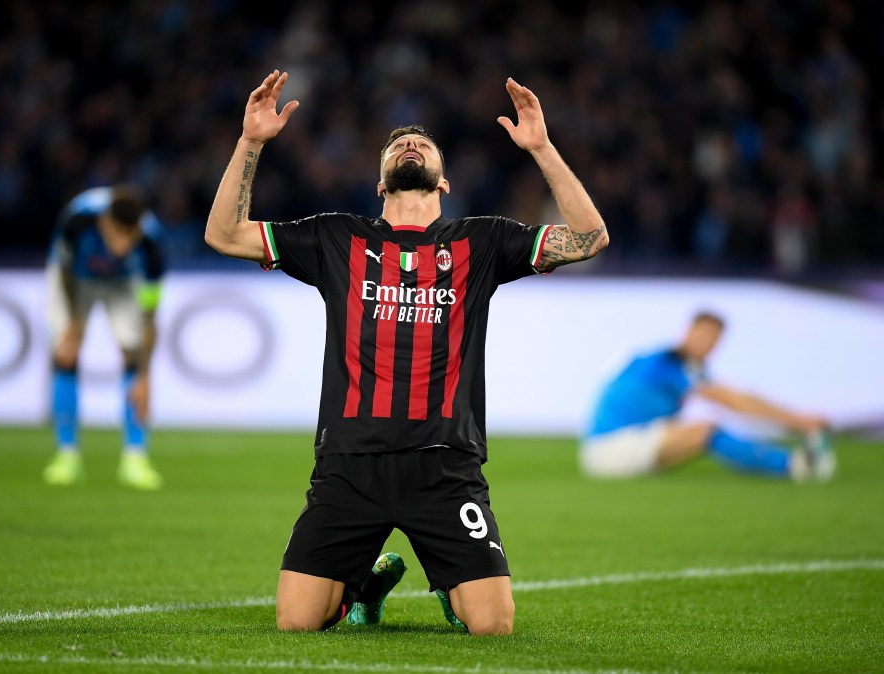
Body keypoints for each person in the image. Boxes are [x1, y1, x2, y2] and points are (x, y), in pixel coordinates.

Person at [204, 70, 608, 635]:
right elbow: (224, 235)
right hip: (350, 465)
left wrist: (541, 148)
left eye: (422, 145)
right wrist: (251, 143)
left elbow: (590, 238)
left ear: (444, 183)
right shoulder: (336, 238)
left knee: (493, 627)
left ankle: (452, 588)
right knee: (297, 623)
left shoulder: (482, 241)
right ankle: (364, 587)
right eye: (397, 145)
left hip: (446, 466)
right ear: (380, 185)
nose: (409, 145)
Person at [579, 311, 836, 482]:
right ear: (688, 331)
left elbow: (736, 398)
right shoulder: (670, 364)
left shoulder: (671, 362)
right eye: (705, 335)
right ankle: (794, 465)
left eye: (715, 339)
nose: (709, 345)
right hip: (610, 449)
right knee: (705, 431)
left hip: (625, 444)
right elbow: (735, 400)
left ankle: (792, 464)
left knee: (700, 431)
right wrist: (797, 420)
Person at [42, 184, 166, 490]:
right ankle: (66, 456)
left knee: (133, 357)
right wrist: (73, 324)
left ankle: (135, 458)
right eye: (117, 235)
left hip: (122, 283)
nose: (123, 246)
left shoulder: (152, 245)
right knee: (66, 352)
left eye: (130, 237)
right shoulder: (77, 222)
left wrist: (146, 375)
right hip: (76, 281)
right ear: (103, 224)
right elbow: (65, 271)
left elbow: (150, 316)